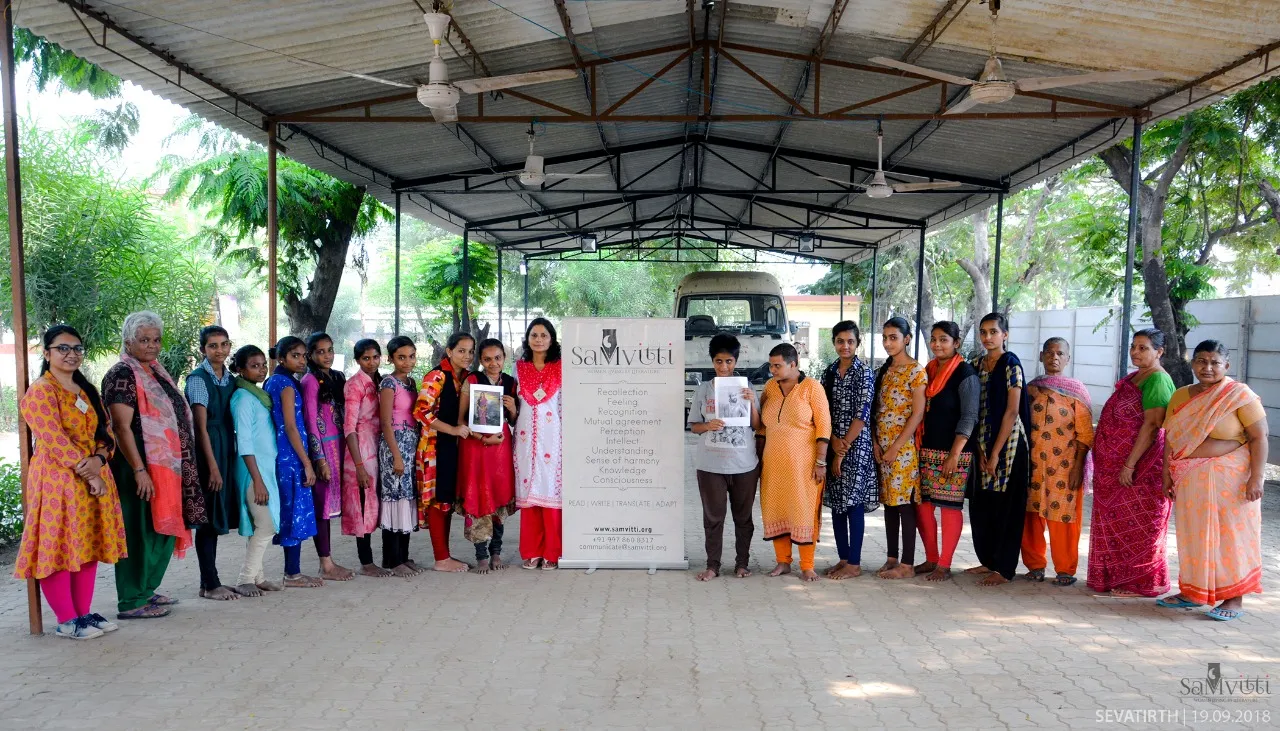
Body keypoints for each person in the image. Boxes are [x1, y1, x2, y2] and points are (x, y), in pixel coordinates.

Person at [15, 325, 126, 639]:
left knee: (87, 545)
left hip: (93, 477)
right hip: (58, 480)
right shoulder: (41, 391)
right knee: (58, 547)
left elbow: (106, 433)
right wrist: (92, 472)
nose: (71, 354)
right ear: (47, 353)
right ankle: (66, 620)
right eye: (63, 348)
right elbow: (55, 439)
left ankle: (83, 613)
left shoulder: (85, 389)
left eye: (77, 348)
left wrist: (100, 460)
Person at [1158, 341, 1267, 621]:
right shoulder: (1181, 396)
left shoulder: (1239, 395)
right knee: (1193, 535)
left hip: (1231, 481)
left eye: (1215, 362)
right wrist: (1166, 474)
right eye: (1201, 361)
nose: (1207, 368)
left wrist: (1257, 477)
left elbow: (1259, 437)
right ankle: (1192, 593)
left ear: (1226, 366)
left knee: (1230, 537)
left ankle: (1234, 599)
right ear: (1192, 363)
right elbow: (1171, 437)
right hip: (1189, 480)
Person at [102, 311, 198, 619]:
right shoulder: (121, 374)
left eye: (156, 340)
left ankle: (146, 590)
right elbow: (120, 426)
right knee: (139, 532)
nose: (152, 346)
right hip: (137, 469)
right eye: (144, 340)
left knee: (163, 528)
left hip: (166, 469)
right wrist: (140, 469)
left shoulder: (156, 371)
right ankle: (131, 600)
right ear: (128, 341)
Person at [1087, 328, 1176, 597]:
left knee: (1140, 526)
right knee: (1116, 523)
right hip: (1114, 471)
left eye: (1143, 348)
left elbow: (1152, 426)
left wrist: (1129, 464)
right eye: (1134, 347)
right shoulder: (1136, 377)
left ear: (1159, 352)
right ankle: (1116, 578)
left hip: (1140, 469)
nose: (1135, 352)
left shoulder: (1157, 380)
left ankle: (1141, 583)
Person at [1021, 338, 1094, 587]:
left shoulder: (1076, 391)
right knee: (1030, 517)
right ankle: (1035, 565)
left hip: (1064, 467)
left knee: (1062, 519)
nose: (1054, 357)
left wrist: (1077, 467)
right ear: (1041, 356)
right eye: (1049, 353)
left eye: (1060, 353)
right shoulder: (1031, 389)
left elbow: (1085, 435)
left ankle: (1065, 569)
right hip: (1032, 465)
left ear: (1068, 359)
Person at [687, 333, 760, 580]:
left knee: (743, 518)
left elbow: (757, 425)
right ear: (712, 362)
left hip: (744, 465)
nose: (724, 367)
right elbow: (694, 425)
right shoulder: (703, 390)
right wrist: (708, 426)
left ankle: (742, 564)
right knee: (713, 518)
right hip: (711, 465)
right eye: (719, 361)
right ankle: (712, 566)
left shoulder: (747, 388)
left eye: (729, 361)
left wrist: (750, 403)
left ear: (736, 362)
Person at [757, 343, 831, 582]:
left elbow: (824, 426)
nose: (773, 370)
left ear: (793, 364)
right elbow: (761, 426)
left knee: (803, 510)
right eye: (771, 365)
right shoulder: (770, 387)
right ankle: (783, 562)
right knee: (776, 509)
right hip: (773, 464)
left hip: (804, 465)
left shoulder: (812, 388)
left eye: (777, 365)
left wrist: (821, 462)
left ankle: (807, 565)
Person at [967, 312, 1031, 587]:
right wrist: (982, 450)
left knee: (1007, 507)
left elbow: (1012, 410)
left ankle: (1004, 568)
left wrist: (995, 453)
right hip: (980, 441)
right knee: (982, 505)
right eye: (983, 332)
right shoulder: (976, 364)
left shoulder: (1011, 365)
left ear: (1005, 334)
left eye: (993, 331)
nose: (988, 337)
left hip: (1010, 445)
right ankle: (988, 560)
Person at [915, 321, 979, 582]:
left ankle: (945, 563)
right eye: (934, 339)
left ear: (956, 343)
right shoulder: (928, 371)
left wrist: (954, 454)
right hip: (927, 449)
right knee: (923, 506)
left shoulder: (966, 374)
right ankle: (931, 558)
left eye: (944, 339)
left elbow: (969, 417)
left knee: (949, 509)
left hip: (955, 453)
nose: (937, 344)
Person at [185, 325, 240, 601]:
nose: (219, 350)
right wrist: (213, 466)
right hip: (209, 450)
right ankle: (210, 583)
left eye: (224, 344)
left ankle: (209, 581)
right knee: (207, 518)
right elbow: (200, 427)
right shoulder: (198, 379)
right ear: (203, 349)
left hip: (226, 448)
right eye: (213, 346)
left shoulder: (229, 378)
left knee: (217, 515)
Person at [413, 332, 475, 573]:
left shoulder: (467, 377)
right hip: (433, 448)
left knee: (446, 499)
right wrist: (452, 429)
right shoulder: (437, 376)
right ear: (449, 351)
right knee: (438, 500)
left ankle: (445, 556)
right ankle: (441, 559)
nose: (467, 356)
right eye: (461, 350)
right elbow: (421, 412)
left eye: (470, 351)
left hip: (452, 446)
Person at [871, 317, 927, 580]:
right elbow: (875, 412)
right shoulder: (885, 370)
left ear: (907, 339)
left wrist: (895, 447)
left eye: (893, 337)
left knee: (905, 505)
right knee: (889, 504)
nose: (887, 343)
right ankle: (892, 557)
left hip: (902, 449)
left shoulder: (916, 371)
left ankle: (907, 563)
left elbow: (917, 414)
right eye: (885, 337)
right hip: (882, 446)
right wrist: (875, 443)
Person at [457, 338, 519, 574]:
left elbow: (513, 421)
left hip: (500, 447)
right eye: (487, 359)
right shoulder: (472, 380)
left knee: (497, 496)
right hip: (476, 447)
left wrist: (512, 409)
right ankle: (481, 555)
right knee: (479, 496)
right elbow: (461, 420)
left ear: (504, 357)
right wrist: (483, 439)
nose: (493, 363)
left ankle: (496, 552)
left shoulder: (510, 383)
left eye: (498, 358)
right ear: (480, 361)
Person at [264, 336, 322, 589]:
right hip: (290, 457)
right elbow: (290, 426)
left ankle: (293, 571)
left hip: (285, 455)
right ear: (281, 358)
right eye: (295, 356)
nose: (301, 360)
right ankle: (292, 574)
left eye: (303, 355)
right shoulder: (285, 384)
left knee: (292, 512)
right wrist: (307, 462)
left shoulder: (275, 381)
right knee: (293, 513)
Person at [820, 322, 877, 580]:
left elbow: (863, 413)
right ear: (834, 342)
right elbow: (823, 412)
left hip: (856, 446)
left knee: (853, 502)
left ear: (857, 343)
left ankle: (854, 562)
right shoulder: (829, 372)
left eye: (850, 341)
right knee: (838, 503)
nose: (845, 346)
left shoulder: (864, 373)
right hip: (833, 443)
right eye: (840, 341)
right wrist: (832, 441)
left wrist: (842, 450)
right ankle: (843, 558)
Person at [227, 345, 283, 596]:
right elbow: (245, 443)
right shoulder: (242, 399)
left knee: (260, 524)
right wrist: (257, 481)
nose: (261, 369)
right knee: (266, 524)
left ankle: (258, 576)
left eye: (262, 364)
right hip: (253, 470)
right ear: (240, 369)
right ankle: (245, 578)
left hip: (265, 469)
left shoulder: (257, 396)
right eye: (254, 365)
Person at [301, 332, 354, 581]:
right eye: (320, 351)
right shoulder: (310, 381)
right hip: (324, 450)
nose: (327, 355)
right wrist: (319, 459)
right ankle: (326, 564)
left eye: (330, 350)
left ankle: (329, 560)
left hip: (341, 447)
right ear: (310, 355)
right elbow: (311, 422)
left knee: (332, 508)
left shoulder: (337, 377)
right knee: (322, 507)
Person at [515, 318, 565, 570]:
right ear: (528, 339)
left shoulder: (561, 368)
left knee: (550, 492)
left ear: (552, 339)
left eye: (544, 335)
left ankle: (553, 552)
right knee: (529, 494)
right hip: (524, 440)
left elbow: (564, 405)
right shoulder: (518, 368)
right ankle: (532, 550)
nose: (538, 339)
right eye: (534, 335)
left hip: (553, 439)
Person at [343, 339, 390, 578]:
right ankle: (366, 561)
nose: (371, 362)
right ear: (357, 360)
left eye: (375, 357)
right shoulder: (354, 385)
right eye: (365, 358)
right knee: (363, 505)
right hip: (360, 451)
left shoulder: (380, 382)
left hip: (377, 448)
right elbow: (349, 428)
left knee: (375, 505)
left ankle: (383, 557)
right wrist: (359, 466)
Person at [378, 336, 422, 576]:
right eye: (401, 357)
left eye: (411, 356)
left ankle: (403, 556)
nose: (407, 362)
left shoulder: (412, 383)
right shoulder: (388, 383)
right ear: (391, 359)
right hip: (394, 445)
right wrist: (396, 455)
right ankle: (392, 560)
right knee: (394, 499)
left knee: (407, 499)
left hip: (410, 445)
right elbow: (385, 422)